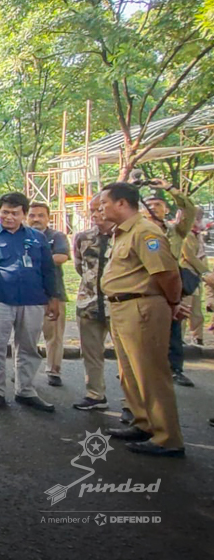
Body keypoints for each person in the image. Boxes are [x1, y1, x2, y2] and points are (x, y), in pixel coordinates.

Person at [99, 182, 185, 457]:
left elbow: (167, 274)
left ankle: (167, 437)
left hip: (142, 307)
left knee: (150, 373)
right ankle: (143, 422)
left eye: (105, 203)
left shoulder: (146, 231)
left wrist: (172, 304)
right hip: (123, 308)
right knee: (129, 372)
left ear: (122, 203)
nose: (102, 208)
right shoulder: (123, 233)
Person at [0, 192, 60, 412]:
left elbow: (48, 269)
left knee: (28, 347)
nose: (9, 217)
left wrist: (53, 297)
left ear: (24, 214)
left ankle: (25, 390)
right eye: (5, 212)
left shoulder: (37, 238)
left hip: (32, 300)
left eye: (15, 213)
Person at [140, 179, 197, 386]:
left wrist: (169, 189)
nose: (153, 208)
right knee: (141, 330)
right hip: (144, 286)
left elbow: (189, 209)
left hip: (170, 285)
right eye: (149, 204)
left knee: (174, 329)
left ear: (165, 209)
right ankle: (140, 368)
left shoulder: (174, 231)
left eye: (158, 204)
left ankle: (174, 369)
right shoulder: (137, 230)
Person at [71, 195, 114, 411]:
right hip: (88, 303)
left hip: (118, 305)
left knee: (128, 358)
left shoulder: (125, 236)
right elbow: (80, 267)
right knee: (90, 353)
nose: (95, 214)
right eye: (92, 210)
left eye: (100, 209)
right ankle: (95, 394)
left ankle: (132, 404)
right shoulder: (83, 237)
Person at [27, 202, 71, 387]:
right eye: (32, 215)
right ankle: (24, 372)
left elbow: (62, 257)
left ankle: (53, 370)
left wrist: (36, 261)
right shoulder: (21, 236)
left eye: (40, 215)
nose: (36, 219)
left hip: (54, 293)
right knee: (26, 337)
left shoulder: (56, 236)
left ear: (48, 217)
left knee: (53, 336)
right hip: (27, 294)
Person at [181, 208, 208, 346]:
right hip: (187, 274)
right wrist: (205, 272)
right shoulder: (185, 235)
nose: (199, 221)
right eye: (196, 218)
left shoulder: (197, 235)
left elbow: (201, 255)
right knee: (185, 306)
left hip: (196, 275)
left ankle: (198, 337)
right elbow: (189, 256)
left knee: (197, 309)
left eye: (200, 218)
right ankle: (179, 337)